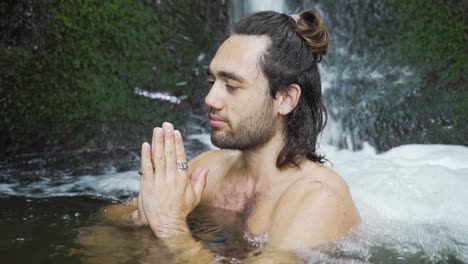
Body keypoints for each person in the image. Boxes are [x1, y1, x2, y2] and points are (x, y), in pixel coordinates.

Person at [107, 9, 360, 263]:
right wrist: (143, 216)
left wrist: (170, 226)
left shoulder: (319, 200)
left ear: (285, 99)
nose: (210, 99)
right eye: (212, 82)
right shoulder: (208, 170)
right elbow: (106, 224)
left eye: (231, 86)